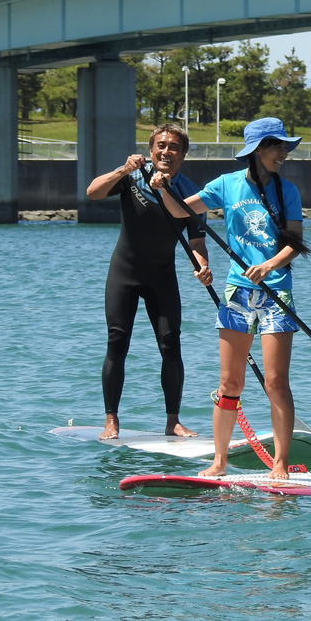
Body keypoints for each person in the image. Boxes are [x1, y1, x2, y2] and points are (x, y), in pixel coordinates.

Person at [152, 117, 309, 479]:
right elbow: (179, 209)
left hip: (276, 291)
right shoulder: (226, 185)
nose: (283, 152)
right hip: (238, 292)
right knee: (230, 383)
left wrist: (269, 265)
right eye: (277, 146)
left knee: (275, 381)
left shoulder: (289, 191)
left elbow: (295, 244)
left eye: (285, 146)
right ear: (257, 151)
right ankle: (219, 461)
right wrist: (162, 188)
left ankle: (281, 463)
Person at [86, 123, 211, 441]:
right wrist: (121, 170)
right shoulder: (132, 177)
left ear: (182, 155)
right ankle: (111, 419)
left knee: (171, 344)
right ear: (151, 149)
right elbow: (93, 192)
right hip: (124, 273)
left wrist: (203, 268)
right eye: (161, 145)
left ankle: (173, 421)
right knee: (117, 342)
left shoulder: (190, 193)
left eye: (174, 147)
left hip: (162, 276)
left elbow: (196, 245)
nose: (166, 151)